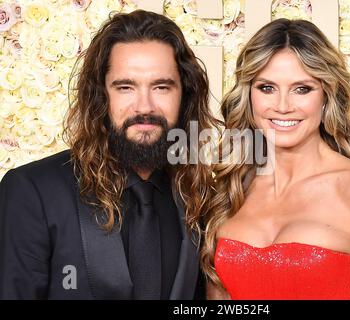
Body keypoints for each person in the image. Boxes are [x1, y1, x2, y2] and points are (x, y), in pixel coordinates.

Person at [187, 18, 350, 300]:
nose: (283, 106)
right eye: (267, 88)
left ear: (326, 96)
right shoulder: (232, 186)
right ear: (248, 96)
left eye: (302, 89)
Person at [0, 10, 218, 299]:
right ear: (102, 95)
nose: (145, 106)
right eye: (125, 87)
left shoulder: (200, 196)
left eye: (162, 87)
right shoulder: (32, 190)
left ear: (185, 95)